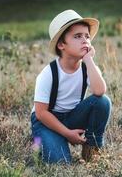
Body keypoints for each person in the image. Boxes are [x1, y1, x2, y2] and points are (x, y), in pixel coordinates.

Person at [30, 9, 112, 164]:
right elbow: (41, 113)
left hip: (73, 115)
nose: (85, 40)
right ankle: (43, 141)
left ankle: (91, 149)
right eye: (77, 36)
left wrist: (88, 60)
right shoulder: (48, 74)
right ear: (61, 44)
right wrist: (67, 133)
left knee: (103, 101)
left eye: (87, 36)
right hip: (47, 122)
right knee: (61, 163)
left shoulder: (88, 67)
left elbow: (100, 91)